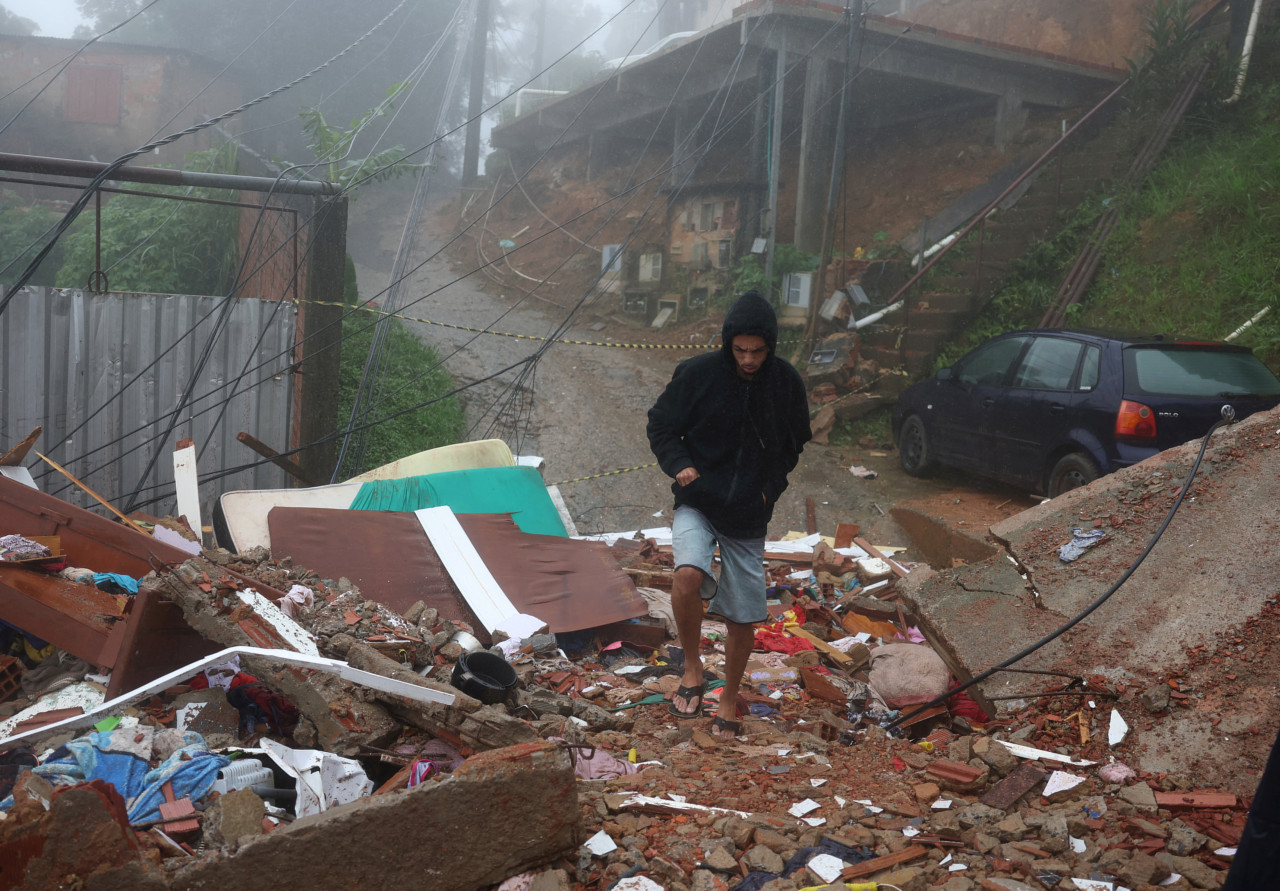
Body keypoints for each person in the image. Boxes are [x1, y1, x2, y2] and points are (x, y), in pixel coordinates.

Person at [646, 290, 812, 739]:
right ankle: (693, 669)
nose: (749, 360)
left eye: (758, 351)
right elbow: (661, 424)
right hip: (698, 500)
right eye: (740, 350)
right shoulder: (697, 374)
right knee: (686, 575)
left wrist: (768, 490)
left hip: (747, 513)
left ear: (770, 347)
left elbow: (793, 446)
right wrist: (680, 466)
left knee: (743, 613)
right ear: (727, 344)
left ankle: (727, 697)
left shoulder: (786, 384)